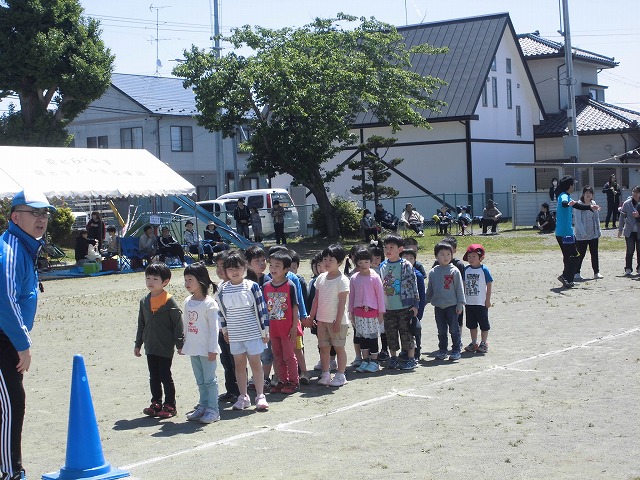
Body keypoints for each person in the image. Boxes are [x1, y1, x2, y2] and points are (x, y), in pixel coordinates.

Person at [0, 189, 56, 480]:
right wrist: (22, 345)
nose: (42, 219)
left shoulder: (23, 246)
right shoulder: (8, 249)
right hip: (3, 339)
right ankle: (11, 472)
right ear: (15, 217)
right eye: (35, 212)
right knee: (12, 404)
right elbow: (5, 302)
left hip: (7, 338)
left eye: (45, 213)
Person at [217, 251, 270, 411]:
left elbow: (262, 309)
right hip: (235, 335)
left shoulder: (252, 286)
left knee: (255, 364)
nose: (235, 272)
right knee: (239, 366)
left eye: (238, 268)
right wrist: (225, 331)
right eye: (230, 269)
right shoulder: (222, 289)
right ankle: (243, 396)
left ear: (244, 267)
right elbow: (221, 312)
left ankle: (260, 395)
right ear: (225, 271)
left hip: (253, 333)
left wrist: (265, 331)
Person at [134, 263, 184, 419]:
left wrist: (180, 344)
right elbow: (141, 323)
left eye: (155, 278)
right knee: (153, 376)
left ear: (165, 282)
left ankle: (170, 405)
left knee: (165, 376)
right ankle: (156, 402)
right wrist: (138, 344)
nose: (150, 281)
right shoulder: (144, 301)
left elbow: (178, 324)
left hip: (165, 346)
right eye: (148, 278)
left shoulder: (169, 301)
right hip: (150, 345)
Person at [180, 262, 221, 424]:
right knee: (200, 380)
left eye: (190, 279)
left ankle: (213, 409)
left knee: (210, 380)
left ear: (201, 280)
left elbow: (214, 329)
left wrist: (212, 349)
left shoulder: (210, 303)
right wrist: (183, 344)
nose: (187, 283)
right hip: (193, 348)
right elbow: (186, 325)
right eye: (185, 280)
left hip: (207, 350)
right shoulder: (188, 301)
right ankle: (203, 406)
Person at [305, 244, 350, 387]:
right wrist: (311, 317)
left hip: (337, 321)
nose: (327, 262)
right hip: (321, 321)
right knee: (323, 348)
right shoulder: (320, 278)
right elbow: (316, 299)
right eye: (325, 259)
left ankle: (341, 375)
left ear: (340, 262)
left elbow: (342, 303)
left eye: (331, 259)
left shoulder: (343, 280)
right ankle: (325, 374)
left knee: (338, 347)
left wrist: (337, 321)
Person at [379, 234, 420, 370]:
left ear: (400, 249)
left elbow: (413, 284)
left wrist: (415, 304)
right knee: (391, 333)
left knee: (406, 333)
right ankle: (393, 358)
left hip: (404, 306)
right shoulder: (382, 266)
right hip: (388, 307)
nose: (388, 250)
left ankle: (411, 358)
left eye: (392, 247)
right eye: (386, 247)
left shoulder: (406, 265)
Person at [263, 251, 300, 394]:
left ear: (286, 269)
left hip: (288, 329)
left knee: (289, 356)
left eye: (277, 266)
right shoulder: (266, 286)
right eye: (271, 265)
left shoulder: (290, 285)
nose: (273, 268)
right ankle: (282, 381)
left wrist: (294, 327)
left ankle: (293, 382)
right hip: (273, 329)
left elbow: (295, 307)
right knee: (277, 356)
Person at [555, 176, 600, 288]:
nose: (574, 186)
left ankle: (567, 279)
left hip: (563, 232)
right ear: (569, 185)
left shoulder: (566, 196)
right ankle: (565, 276)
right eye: (573, 184)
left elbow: (578, 206)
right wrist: (567, 204)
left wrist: (590, 207)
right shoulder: (564, 196)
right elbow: (564, 203)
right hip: (565, 233)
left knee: (568, 256)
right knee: (575, 255)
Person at [426, 242, 466, 361]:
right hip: (438, 307)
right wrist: (422, 303)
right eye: (442, 254)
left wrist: (460, 304)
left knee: (454, 330)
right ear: (436, 256)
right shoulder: (433, 272)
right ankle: (442, 350)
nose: (445, 257)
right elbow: (430, 291)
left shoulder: (455, 271)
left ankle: (456, 350)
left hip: (452, 306)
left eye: (448, 254)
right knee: (441, 330)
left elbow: (460, 289)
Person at [348, 248, 385, 373]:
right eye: (360, 262)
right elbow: (351, 296)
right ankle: (365, 360)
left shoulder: (375, 277)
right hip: (359, 313)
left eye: (366, 262)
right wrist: (351, 312)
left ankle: (374, 361)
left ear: (371, 262)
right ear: (356, 263)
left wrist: (381, 313)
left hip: (373, 313)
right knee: (362, 337)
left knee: (373, 337)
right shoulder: (354, 278)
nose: (363, 265)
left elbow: (380, 296)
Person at [212, 251, 240, 403]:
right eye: (217, 266)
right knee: (226, 362)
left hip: (234, 330)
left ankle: (239, 390)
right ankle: (230, 390)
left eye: (223, 266)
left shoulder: (235, 286)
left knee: (237, 362)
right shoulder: (220, 286)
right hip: (221, 331)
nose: (219, 269)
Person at [463, 244, 493, 354]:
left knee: (484, 324)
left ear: (481, 257)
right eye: (469, 256)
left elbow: (489, 285)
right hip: (469, 303)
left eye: (474, 256)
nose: (471, 259)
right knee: (472, 324)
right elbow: (463, 284)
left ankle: (484, 342)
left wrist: (488, 300)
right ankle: (474, 342)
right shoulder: (466, 270)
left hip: (481, 302)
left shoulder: (484, 269)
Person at [400, 248, 426, 362]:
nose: (409, 261)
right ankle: (405, 350)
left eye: (411, 258)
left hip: (414, 308)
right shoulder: (398, 273)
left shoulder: (418, 275)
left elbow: (421, 294)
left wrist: (419, 310)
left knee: (415, 329)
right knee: (404, 330)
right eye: (406, 258)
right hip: (401, 307)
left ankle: (417, 351)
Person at [574, 186, 603, 280]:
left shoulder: (593, 203)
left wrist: (598, 231)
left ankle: (596, 272)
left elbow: (596, 218)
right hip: (581, 235)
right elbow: (578, 221)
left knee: (594, 253)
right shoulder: (578, 204)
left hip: (593, 234)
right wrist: (583, 233)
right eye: (586, 192)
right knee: (581, 254)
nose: (588, 194)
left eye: (590, 192)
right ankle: (576, 272)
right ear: (583, 194)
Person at [618, 186, 640, 276]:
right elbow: (622, 216)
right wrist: (620, 229)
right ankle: (628, 268)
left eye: (637, 192)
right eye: (633, 192)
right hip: (629, 231)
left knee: (639, 250)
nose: (634, 194)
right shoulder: (627, 203)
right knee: (630, 250)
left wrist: (638, 215)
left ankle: (639, 268)